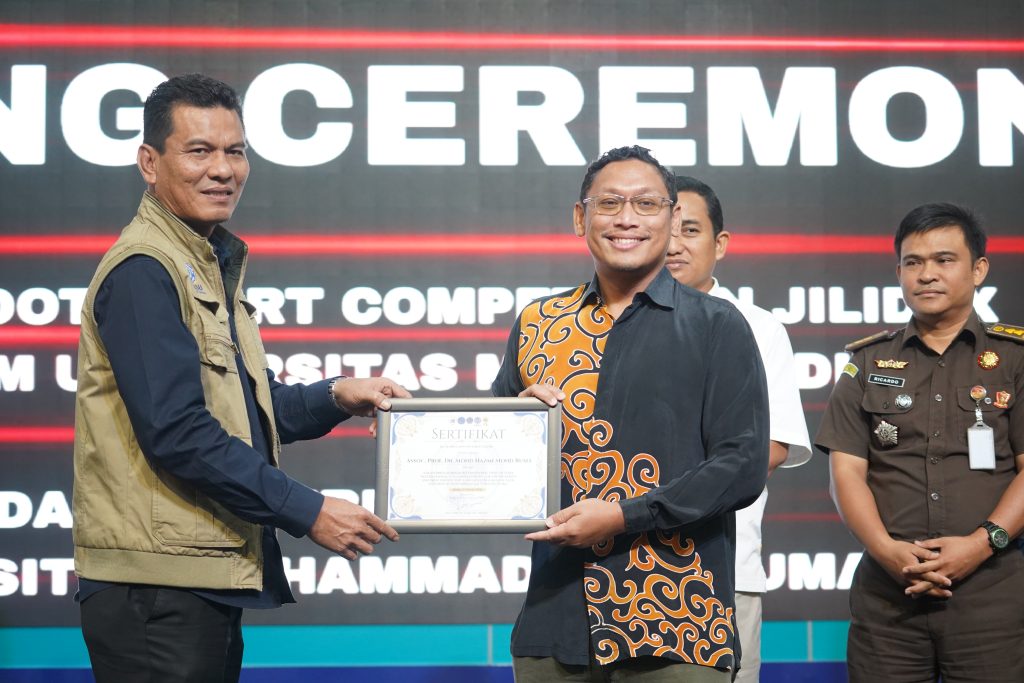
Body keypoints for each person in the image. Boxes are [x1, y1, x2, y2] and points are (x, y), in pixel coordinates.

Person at [72, 73, 408, 683]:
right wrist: (307, 510)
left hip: (193, 576)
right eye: (199, 151)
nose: (223, 170)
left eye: (236, 151)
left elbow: (244, 410)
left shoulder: (200, 261)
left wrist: (336, 396)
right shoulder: (147, 269)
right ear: (149, 163)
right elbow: (178, 432)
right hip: (155, 590)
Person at [491, 146, 769, 681]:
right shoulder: (538, 323)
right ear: (581, 218)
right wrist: (514, 430)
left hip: (678, 621)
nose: (626, 219)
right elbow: (494, 466)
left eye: (645, 204)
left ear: (671, 218)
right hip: (556, 619)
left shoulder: (717, 325)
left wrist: (623, 515)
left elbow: (742, 465)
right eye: (609, 203)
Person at [816, 203, 1024, 683]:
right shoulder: (867, 362)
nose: (926, 274)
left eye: (944, 260)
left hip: (992, 593)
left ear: (978, 270)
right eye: (913, 262)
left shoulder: (1014, 359)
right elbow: (846, 474)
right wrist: (887, 552)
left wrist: (980, 544)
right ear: (899, 273)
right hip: (888, 599)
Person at [667, 175, 812, 683]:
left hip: (722, 566)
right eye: (663, 229)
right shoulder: (601, 321)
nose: (673, 244)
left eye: (689, 230)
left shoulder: (757, 326)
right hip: (614, 561)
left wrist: (655, 501)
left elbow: (769, 448)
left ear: (720, 243)